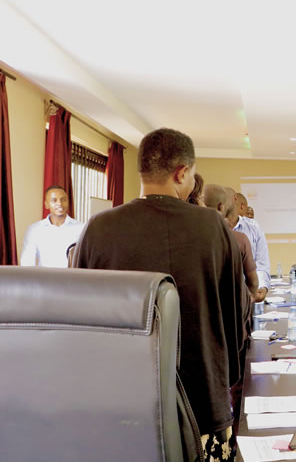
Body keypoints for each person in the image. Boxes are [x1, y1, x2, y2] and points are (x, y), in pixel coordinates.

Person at [73, 128, 244, 461]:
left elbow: (80, 319)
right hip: (203, 396)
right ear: (181, 173)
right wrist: (225, 375)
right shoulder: (213, 227)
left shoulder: (98, 228)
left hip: (120, 402)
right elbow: (233, 311)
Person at [202, 182, 259, 446]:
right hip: (234, 326)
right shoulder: (238, 240)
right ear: (224, 206)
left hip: (202, 329)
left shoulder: (191, 236)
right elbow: (253, 282)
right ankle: (233, 439)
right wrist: (250, 297)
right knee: (235, 386)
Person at [20, 186, 84, 267]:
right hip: (44, 275)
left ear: (68, 202)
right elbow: (27, 262)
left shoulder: (81, 228)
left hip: (71, 275)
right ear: (46, 204)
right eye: (54, 200)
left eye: (63, 200)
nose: (59, 204)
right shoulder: (34, 230)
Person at [226, 187, 271, 301]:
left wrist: (261, 287)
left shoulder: (253, 228)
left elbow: (261, 264)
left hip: (249, 297)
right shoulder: (213, 229)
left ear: (235, 199)